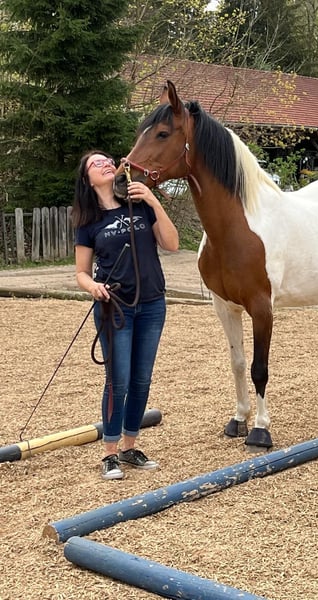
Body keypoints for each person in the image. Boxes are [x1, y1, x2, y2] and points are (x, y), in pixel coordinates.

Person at [72, 151, 179, 480]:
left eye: (107, 160)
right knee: (117, 381)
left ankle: (130, 447)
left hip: (152, 304)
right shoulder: (88, 222)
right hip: (114, 308)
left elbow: (172, 244)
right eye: (96, 164)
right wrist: (93, 286)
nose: (105, 164)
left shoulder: (140, 205)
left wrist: (153, 200)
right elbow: (81, 272)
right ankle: (109, 453)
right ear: (88, 179)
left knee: (141, 379)